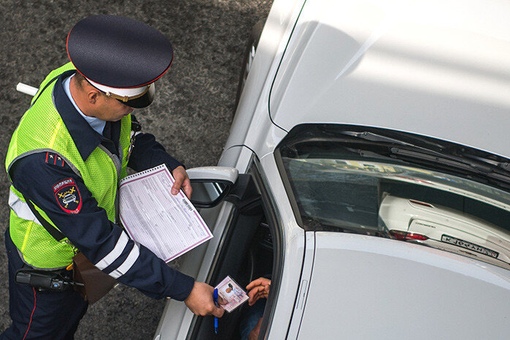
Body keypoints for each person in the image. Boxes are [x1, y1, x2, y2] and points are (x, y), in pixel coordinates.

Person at [0, 15, 223, 339]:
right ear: (94, 96)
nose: (131, 112)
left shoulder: (76, 79)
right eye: (127, 105)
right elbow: (103, 243)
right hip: (45, 269)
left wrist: (165, 163)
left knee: (67, 323)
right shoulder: (45, 162)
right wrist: (184, 289)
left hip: (78, 263)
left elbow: (129, 139)